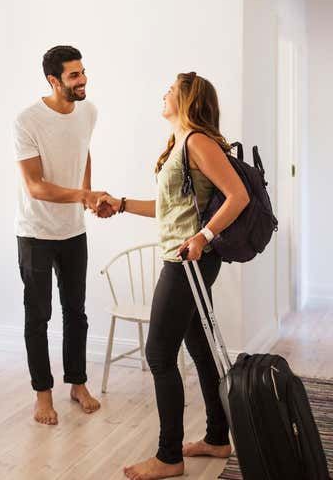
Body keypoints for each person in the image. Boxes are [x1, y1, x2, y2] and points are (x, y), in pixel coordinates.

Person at [96, 71, 250, 480]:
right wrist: (123, 203)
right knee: (199, 349)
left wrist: (202, 237)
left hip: (187, 261)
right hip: (186, 258)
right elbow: (170, 210)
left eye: (169, 89)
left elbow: (239, 196)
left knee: (159, 355)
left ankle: (169, 457)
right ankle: (218, 438)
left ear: (186, 99)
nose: (162, 93)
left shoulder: (198, 141)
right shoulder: (182, 144)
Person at [13, 45, 108, 425]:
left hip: (73, 231)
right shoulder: (27, 121)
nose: (83, 79)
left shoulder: (89, 111)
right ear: (54, 80)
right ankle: (42, 394)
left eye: (83, 71)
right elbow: (35, 185)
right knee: (38, 317)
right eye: (74, 75)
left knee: (76, 313)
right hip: (35, 232)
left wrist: (84, 197)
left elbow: (83, 151)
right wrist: (83, 195)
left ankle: (77, 383)